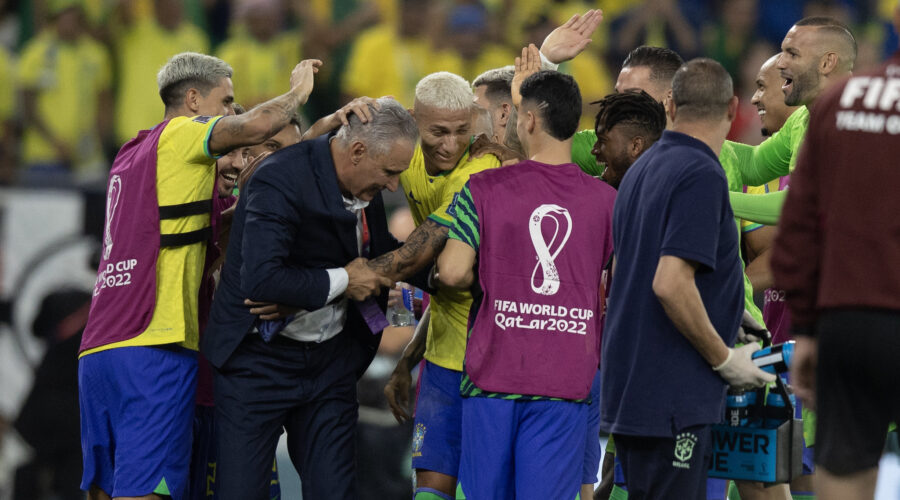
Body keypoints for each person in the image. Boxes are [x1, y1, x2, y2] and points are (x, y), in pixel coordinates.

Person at [78, 52, 322, 500]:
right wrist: (299, 92)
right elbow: (254, 127)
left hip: (100, 346)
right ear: (193, 99)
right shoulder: (179, 135)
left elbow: (216, 221)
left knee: (105, 488)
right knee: (148, 489)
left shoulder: (133, 152)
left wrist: (320, 136)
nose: (232, 113)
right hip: (155, 342)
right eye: (226, 101)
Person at [201, 97, 417, 500]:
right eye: (389, 173)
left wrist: (447, 269)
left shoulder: (364, 185)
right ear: (356, 151)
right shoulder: (278, 177)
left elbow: (379, 254)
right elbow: (263, 280)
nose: (393, 186)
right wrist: (342, 281)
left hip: (330, 366)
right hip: (256, 360)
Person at [438, 55, 617, 498]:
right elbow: (622, 287)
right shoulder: (607, 202)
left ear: (531, 119)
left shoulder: (482, 189)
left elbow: (453, 271)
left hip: (492, 377)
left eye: (519, 116)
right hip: (565, 381)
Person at [600, 59, 775, 499]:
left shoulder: (640, 169)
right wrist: (724, 359)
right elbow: (670, 282)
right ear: (734, 108)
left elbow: (632, 271)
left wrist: (729, 313)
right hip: (675, 398)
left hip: (632, 391)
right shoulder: (702, 173)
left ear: (671, 104)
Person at [770, 6, 900, 498]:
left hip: (850, 320)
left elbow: (798, 230)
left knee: (844, 471)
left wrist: (805, 328)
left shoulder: (841, 102)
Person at [17, 0, 113, 186]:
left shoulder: (96, 55)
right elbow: (28, 106)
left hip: (86, 159)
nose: (70, 22)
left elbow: (104, 104)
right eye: (65, 16)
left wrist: (96, 141)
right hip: (43, 156)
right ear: (55, 19)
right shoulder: (36, 52)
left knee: (88, 213)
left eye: (75, 16)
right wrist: (56, 143)